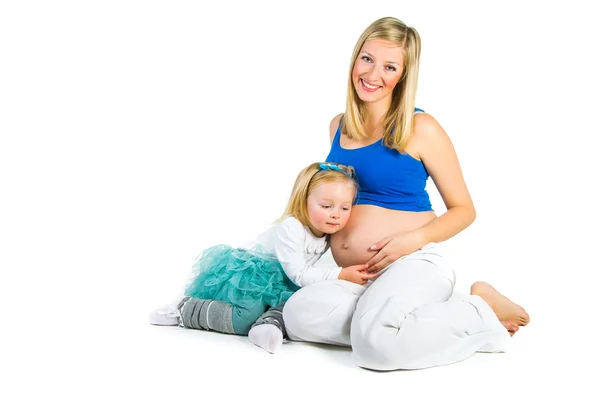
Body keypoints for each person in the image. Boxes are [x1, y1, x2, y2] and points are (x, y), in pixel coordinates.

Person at [282, 17, 530, 370]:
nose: (373, 74)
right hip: (360, 276)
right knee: (297, 315)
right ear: (354, 59)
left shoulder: (420, 128)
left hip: (413, 263)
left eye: (390, 66)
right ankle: (412, 318)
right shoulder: (337, 127)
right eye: (367, 59)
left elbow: (464, 210)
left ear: (403, 75)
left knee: (374, 349)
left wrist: (411, 240)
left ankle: (480, 310)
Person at [148, 162, 376, 354]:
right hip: (254, 275)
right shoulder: (292, 227)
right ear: (303, 201)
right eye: (326, 206)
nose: (336, 214)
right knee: (242, 318)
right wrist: (340, 274)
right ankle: (184, 309)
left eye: (345, 208)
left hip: (285, 281)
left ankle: (267, 326)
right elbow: (299, 272)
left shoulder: (327, 233)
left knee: (290, 306)